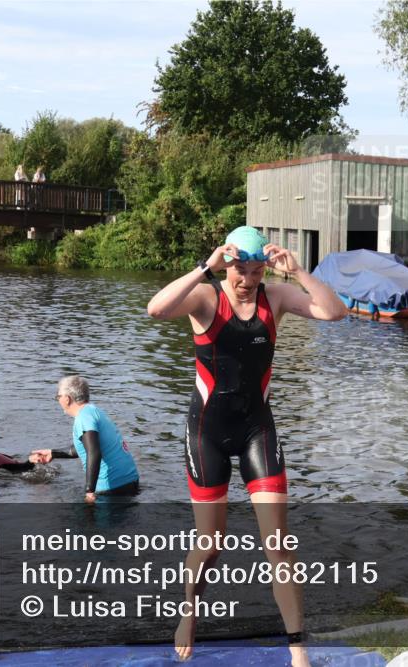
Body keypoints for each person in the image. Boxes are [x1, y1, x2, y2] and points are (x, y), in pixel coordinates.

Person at [146, 226, 347, 667]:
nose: (247, 280)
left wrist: (298, 273)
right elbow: (156, 309)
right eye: (240, 270)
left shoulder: (275, 297)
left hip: (257, 429)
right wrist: (204, 267)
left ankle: (298, 650)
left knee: (278, 544)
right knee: (210, 544)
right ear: (228, 264)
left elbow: (336, 313)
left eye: (256, 271)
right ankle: (189, 613)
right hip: (207, 435)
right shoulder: (206, 297)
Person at [30, 375, 140, 503]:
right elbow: (86, 447)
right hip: (130, 481)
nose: (58, 400)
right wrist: (53, 453)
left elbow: (94, 452)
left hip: (110, 489)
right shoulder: (93, 411)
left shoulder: (83, 418)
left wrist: (89, 492)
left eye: (58, 397)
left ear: (67, 399)